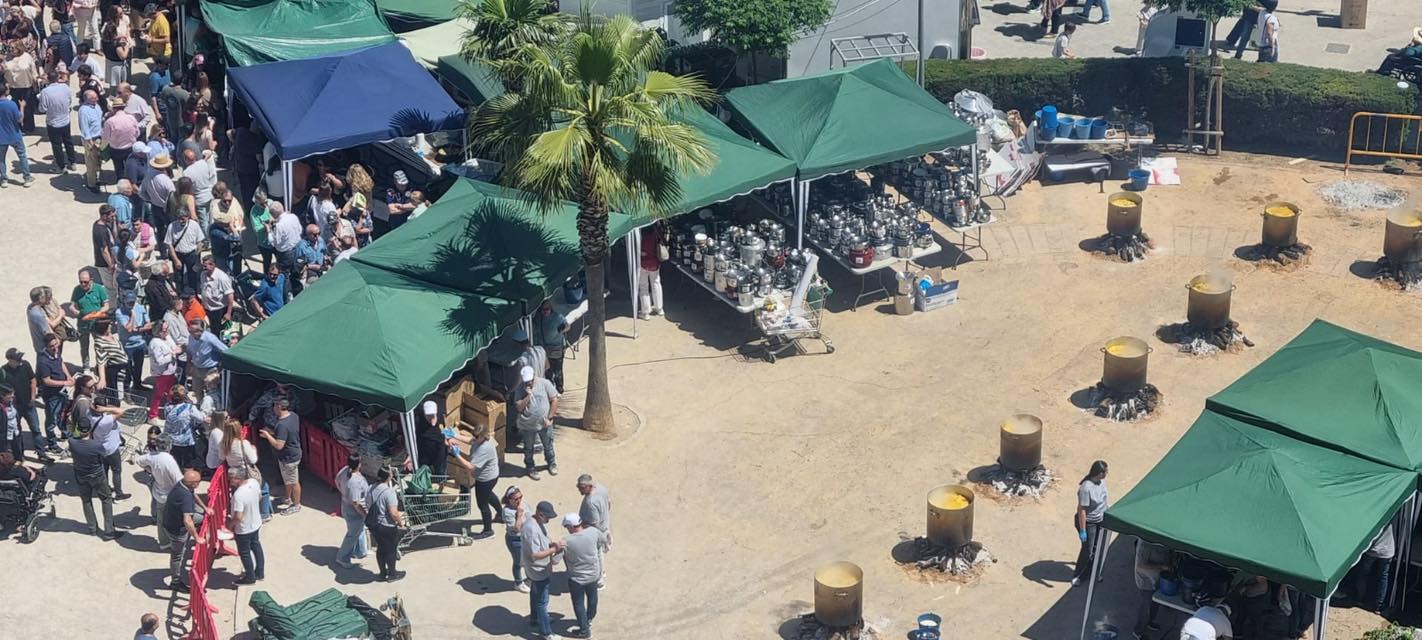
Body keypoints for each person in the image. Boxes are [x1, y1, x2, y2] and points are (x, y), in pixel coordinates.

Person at [69, 414, 125, 539]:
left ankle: (92, 528)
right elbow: (103, 455)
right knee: (106, 499)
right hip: (97, 475)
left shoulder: (72, 442)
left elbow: (73, 434)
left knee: (86, 500)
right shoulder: (96, 445)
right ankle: (109, 531)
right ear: (89, 429)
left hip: (80, 475)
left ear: (78, 428)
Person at [561, 512, 607, 639]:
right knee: (592, 598)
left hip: (577, 579)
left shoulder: (567, 541)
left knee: (578, 604)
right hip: (593, 574)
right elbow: (603, 540)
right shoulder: (593, 531)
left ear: (571, 526)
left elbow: (555, 560)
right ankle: (589, 618)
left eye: (567, 527)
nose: (567, 529)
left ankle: (584, 630)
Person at [523, 500, 564, 638]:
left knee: (535, 593)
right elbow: (535, 555)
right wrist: (554, 549)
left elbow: (542, 543)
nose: (549, 520)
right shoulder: (532, 529)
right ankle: (546, 632)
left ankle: (535, 618)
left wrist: (551, 545)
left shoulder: (537, 523)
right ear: (540, 514)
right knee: (542, 602)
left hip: (537, 569)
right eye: (548, 517)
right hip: (538, 570)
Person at [135, 427, 180, 548]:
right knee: (155, 500)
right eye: (150, 438)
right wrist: (150, 470)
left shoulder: (163, 451)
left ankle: (157, 519)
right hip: (152, 479)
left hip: (160, 479)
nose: (152, 441)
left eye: (155, 439)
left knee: (158, 501)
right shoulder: (148, 450)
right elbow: (141, 461)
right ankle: (155, 517)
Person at [1, 348, 47, 463]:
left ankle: (41, 453)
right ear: (10, 360)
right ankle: (20, 456)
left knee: (36, 429)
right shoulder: (3, 371)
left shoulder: (25, 365)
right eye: (17, 359)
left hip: (29, 404)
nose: (20, 360)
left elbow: (33, 380)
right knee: (17, 432)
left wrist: (33, 397)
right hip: (15, 407)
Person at [258, 396, 302, 515]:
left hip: (289, 457)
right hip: (293, 453)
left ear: (279, 407)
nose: (273, 408)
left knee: (294, 482)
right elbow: (287, 434)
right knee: (288, 479)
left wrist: (267, 435)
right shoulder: (294, 416)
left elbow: (278, 445)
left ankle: (296, 505)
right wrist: (272, 433)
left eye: (274, 406)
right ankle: (287, 498)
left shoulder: (281, 424)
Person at [515, 366, 559, 480]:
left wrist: (550, 418)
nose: (529, 383)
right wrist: (528, 396)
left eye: (530, 380)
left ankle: (551, 463)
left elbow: (554, 399)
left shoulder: (545, 383)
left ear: (534, 376)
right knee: (528, 448)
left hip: (544, 424)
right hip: (528, 425)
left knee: (548, 445)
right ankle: (530, 467)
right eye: (526, 381)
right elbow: (519, 407)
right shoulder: (520, 389)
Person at [164, 469, 203, 592]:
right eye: (198, 482)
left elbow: (193, 494)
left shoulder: (183, 484)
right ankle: (175, 582)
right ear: (193, 483)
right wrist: (197, 538)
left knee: (202, 518)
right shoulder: (185, 496)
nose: (199, 483)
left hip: (173, 518)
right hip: (176, 528)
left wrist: (205, 508)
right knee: (177, 555)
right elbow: (187, 520)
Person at [1072, 460, 1109, 586]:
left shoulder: (1102, 483)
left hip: (1101, 520)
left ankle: (1094, 573)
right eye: (1105, 472)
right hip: (1089, 523)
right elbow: (1082, 510)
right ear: (1099, 473)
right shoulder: (1086, 488)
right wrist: (1083, 530)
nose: (1107, 474)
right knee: (1087, 551)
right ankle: (1079, 575)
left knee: (1098, 548)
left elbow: (1104, 500)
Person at [35, 334, 74, 454]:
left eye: (56, 344)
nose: (55, 348)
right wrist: (65, 382)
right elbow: (47, 381)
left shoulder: (56, 352)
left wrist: (69, 376)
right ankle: (52, 444)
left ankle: (64, 433)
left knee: (63, 414)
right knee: (51, 420)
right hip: (52, 395)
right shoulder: (43, 362)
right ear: (46, 347)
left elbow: (61, 363)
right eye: (52, 346)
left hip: (62, 391)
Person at [366, 467, 406, 581]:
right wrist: (400, 522)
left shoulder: (370, 488)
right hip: (386, 525)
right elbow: (393, 513)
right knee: (391, 549)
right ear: (389, 477)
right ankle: (392, 574)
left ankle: (382, 573)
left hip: (374, 524)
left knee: (381, 548)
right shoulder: (389, 492)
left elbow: (367, 504)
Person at [229, 464, 265, 584]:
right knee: (256, 546)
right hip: (256, 522)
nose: (230, 480)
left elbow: (238, 517)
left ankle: (250, 577)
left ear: (238, 479)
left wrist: (230, 525)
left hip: (244, 529)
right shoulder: (254, 482)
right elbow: (259, 497)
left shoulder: (238, 495)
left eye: (231, 478)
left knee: (244, 553)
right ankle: (259, 573)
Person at [166, 180, 202, 291]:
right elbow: (169, 244)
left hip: (191, 254)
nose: (182, 220)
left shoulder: (194, 225)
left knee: (193, 276)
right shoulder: (172, 226)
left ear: (188, 216)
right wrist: (176, 259)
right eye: (180, 218)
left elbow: (199, 242)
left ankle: (193, 294)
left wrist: (197, 257)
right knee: (179, 277)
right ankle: (180, 294)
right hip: (178, 254)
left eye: (184, 218)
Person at [335, 453, 369, 568]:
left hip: (346, 505)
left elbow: (337, 481)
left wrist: (343, 492)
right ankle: (342, 557)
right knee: (352, 534)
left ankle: (360, 551)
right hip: (354, 510)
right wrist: (365, 514)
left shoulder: (345, 470)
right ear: (358, 464)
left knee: (359, 530)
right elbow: (356, 503)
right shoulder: (355, 482)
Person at [36, 70, 75, 172]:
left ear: (48, 79)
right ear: (58, 78)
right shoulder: (65, 87)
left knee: (57, 145)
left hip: (53, 123)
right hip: (65, 120)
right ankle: (72, 162)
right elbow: (70, 101)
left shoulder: (45, 92)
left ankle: (61, 166)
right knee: (68, 141)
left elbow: (42, 109)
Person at [1351, 524, 1394, 612]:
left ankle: (1360, 598)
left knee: (1363, 573)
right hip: (1387, 551)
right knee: (1383, 577)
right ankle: (1379, 606)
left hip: (1371, 550)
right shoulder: (1389, 518)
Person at [162, 385, 204, 470]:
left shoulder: (167, 407)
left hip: (173, 440)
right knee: (188, 464)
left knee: (175, 463)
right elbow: (200, 418)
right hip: (187, 441)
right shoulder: (190, 408)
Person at [469, 423, 501, 537]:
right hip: (491, 476)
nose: (474, 438)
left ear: (483, 436)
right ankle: (501, 514)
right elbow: (470, 440)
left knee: (482, 504)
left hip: (485, 479)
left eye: (477, 436)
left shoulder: (484, 448)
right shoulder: (481, 440)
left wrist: (456, 455)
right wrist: (454, 436)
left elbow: (470, 467)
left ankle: (488, 531)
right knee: (488, 495)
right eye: (474, 435)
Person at [1133, 538, 1169, 639]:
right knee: (1146, 607)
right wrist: (1162, 567)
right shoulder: (1146, 543)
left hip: (1157, 579)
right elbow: (1140, 566)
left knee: (1156, 602)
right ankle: (1138, 631)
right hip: (1146, 581)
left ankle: (1149, 622)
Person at [114, 291, 149, 391]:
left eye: (133, 302)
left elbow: (148, 324)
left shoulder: (140, 308)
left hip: (140, 342)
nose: (131, 304)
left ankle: (137, 384)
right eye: (129, 302)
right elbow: (129, 328)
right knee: (127, 369)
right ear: (124, 301)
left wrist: (138, 329)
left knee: (138, 366)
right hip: (127, 345)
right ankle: (126, 389)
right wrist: (132, 315)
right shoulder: (119, 312)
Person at [3, 43, 40, 136]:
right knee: (15, 108)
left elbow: (33, 70)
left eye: (12, 48)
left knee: (28, 109)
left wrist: (36, 80)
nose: (10, 50)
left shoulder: (27, 57)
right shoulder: (7, 57)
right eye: (10, 48)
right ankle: (17, 128)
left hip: (26, 87)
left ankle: (29, 127)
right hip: (13, 88)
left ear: (19, 48)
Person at [0, 85, 33, 186]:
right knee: (22, 156)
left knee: (1, 159)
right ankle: (27, 178)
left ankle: (4, 179)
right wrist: (22, 107)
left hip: (1, 137)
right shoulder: (11, 104)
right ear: (6, 91)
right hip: (14, 134)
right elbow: (20, 119)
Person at [267, 202, 302, 293]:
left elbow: (274, 242)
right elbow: (300, 230)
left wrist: (269, 231)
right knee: (296, 271)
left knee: (285, 275)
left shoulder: (279, 225)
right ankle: (298, 291)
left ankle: (288, 295)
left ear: (273, 214)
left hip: (285, 254)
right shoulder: (293, 216)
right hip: (297, 248)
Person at [147, 321, 179, 419]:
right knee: (158, 394)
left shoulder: (167, 337)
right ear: (158, 331)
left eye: (167, 328)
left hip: (171, 371)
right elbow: (159, 361)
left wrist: (176, 350)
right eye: (165, 330)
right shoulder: (155, 343)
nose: (167, 331)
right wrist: (172, 354)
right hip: (162, 373)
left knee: (171, 392)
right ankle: (152, 415)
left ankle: (171, 411)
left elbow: (174, 347)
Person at [185, 317, 225, 396]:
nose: (192, 334)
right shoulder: (191, 337)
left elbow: (225, 351)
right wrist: (189, 365)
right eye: (190, 331)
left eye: (194, 331)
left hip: (210, 370)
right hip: (196, 368)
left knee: (212, 392)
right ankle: (199, 402)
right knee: (197, 390)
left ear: (201, 330)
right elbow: (189, 351)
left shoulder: (211, 339)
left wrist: (221, 366)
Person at [502, 485, 530, 592]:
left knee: (527, 559)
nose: (519, 500)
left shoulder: (523, 504)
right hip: (515, 540)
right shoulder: (507, 511)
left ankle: (529, 578)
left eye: (520, 497)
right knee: (518, 562)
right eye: (516, 499)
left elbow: (531, 516)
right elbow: (516, 529)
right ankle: (518, 583)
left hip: (526, 537)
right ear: (509, 500)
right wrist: (519, 515)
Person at [197, 257, 234, 335]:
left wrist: (228, 313)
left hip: (220, 310)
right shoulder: (203, 274)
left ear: (212, 265)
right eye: (203, 266)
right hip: (208, 308)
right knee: (212, 330)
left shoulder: (222, 277)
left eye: (205, 266)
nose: (204, 268)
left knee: (224, 332)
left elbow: (230, 296)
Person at [78, 89, 105, 191]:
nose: (97, 99)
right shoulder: (83, 111)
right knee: (91, 162)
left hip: (99, 137)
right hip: (91, 139)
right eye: (94, 98)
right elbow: (84, 127)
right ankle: (91, 184)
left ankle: (96, 178)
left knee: (98, 160)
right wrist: (89, 141)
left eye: (96, 97)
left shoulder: (97, 106)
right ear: (87, 99)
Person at [638, 222, 664, 319]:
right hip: (654, 262)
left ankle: (645, 312)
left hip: (643, 263)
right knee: (656, 284)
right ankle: (659, 308)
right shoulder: (656, 234)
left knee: (643, 287)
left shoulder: (640, 236)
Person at [92, 205, 119, 292]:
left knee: (115, 285)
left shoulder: (106, 224)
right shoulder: (100, 230)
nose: (113, 218)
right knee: (111, 288)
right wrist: (111, 265)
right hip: (104, 263)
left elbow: (115, 236)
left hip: (111, 259)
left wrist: (114, 222)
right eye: (112, 216)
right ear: (104, 216)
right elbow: (104, 250)